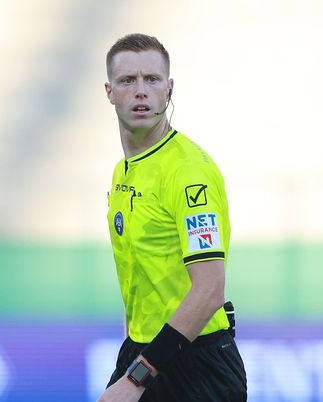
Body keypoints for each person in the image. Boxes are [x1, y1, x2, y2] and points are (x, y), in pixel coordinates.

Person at [97, 33, 247, 402]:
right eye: (127, 81)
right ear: (109, 91)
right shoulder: (123, 172)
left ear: (169, 88)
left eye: (152, 80)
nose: (141, 91)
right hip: (145, 353)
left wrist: (134, 380)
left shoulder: (187, 172)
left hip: (197, 366)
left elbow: (210, 289)